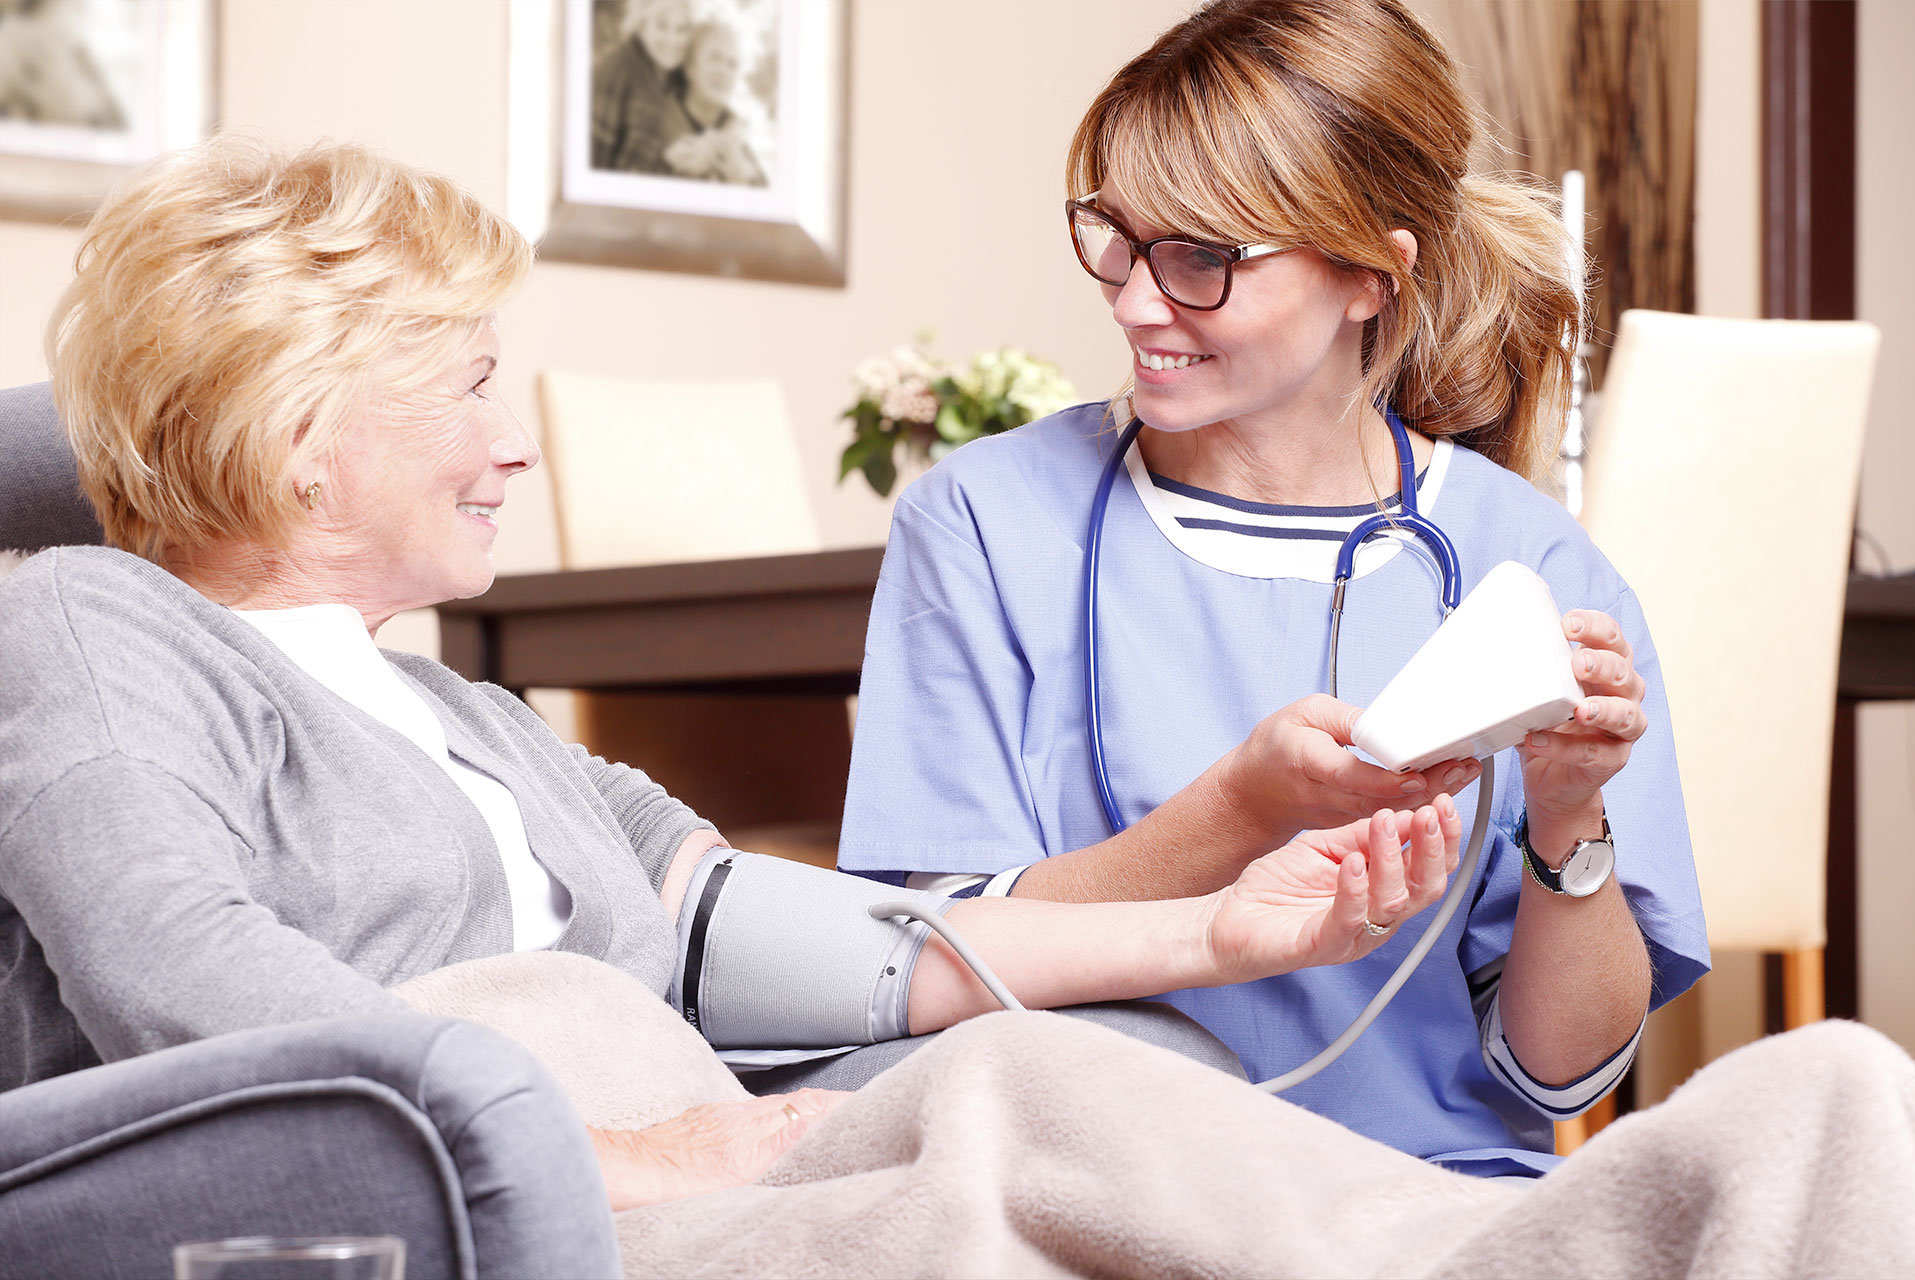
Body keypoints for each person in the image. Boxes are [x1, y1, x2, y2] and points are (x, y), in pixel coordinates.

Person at [0, 135, 1462, 1210]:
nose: (516, 443)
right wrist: (611, 1157)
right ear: (296, 427)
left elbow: (837, 945)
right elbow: (184, 977)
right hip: (515, 1193)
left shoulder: (470, 722)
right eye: (468, 384)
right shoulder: (96, 628)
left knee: (1098, 1072)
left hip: (666, 1140)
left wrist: (1215, 934)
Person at [838, 0, 1708, 1179]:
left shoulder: (1534, 568)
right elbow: (926, 975)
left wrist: (1567, 815)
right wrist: (1248, 805)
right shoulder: (986, 524)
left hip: (1426, 1200)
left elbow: (1562, 1070)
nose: (1136, 301)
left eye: (1203, 258)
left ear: (1371, 276)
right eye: (1116, 235)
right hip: (1083, 1180)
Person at [660, 16, 771, 187]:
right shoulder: (656, 125)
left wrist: (739, 181)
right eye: (714, 58)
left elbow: (766, 204)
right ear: (690, 67)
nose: (723, 71)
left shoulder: (739, 143)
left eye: (732, 64)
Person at [589, 0, 694, 174]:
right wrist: (669, 162)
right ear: (642, 25)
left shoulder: (663, 73)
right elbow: (615, 177)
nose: (672, 39)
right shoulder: (626, 76)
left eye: (682, 29)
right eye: (661, 26)